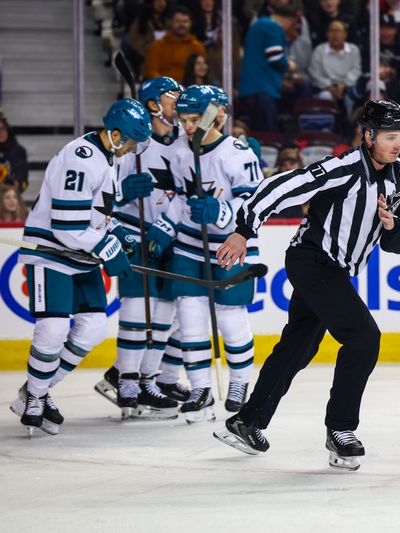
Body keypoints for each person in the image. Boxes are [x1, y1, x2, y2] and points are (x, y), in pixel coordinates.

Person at [212, 100, 400, 470]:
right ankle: (340, 429)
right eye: (389, 136)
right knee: (363, 337)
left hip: (336, 270)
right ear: (369, 136)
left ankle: (248, 420)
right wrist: (245, 230)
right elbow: (281, 186)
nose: (397, 143)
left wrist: (390, 226)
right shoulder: (342, 168)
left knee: (299, 346)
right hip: (312, 261)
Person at [9, 99, 151, 435]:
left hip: (81, 254)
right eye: (129, 142)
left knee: (93, 328)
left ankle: (34, 391)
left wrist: (118, 234)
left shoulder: (105, 156)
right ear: (115, 134)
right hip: (52, 252)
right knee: (53, 330)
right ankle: (36, 397)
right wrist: (105, 245)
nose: (131, 149)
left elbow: (96, 214)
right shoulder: (81, 158)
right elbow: (67, 227)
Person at [145, 85, 264, 422]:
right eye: (183, 119)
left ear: (216, 115)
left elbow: (254, 204)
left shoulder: (238, 153)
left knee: (230, 316)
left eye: (195, 119)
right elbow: (180, 199)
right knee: (191, 316)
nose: (188, 126)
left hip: (231, 246)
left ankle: (239, 381)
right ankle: (200, 387)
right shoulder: (180, 150)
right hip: (190, 245)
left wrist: (220, 212)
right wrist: (165, 226)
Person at [93, 77, 185, 420]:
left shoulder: (182, 143)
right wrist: (122, 194)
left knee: (165, 311)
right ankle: (127, 380)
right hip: (131, 231)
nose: (176, 100)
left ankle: (145, 378)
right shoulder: (131, 142)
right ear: (151, 103)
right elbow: (100, 194)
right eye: (169, 95)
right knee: (135, 308)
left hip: (168, 235)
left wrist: (170, 224)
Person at [239, 5, 299, 132]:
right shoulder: (272, 26)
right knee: (267, 135)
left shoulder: (258, 25)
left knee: (257, 132)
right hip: (262, 88)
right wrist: (289, 66)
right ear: (289, 20)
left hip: (252, 87)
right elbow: (275, 57)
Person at [143, 6, 206, 82]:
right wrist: (168, 86)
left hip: (190, 89)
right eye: (178, 21)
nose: (182, 25)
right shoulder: (157, 46)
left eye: (185, 21)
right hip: (164, 89)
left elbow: (202, 72)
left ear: (191, 23)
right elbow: (151, 72)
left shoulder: (198, 47)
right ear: (170, 22)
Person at [308, 19, 362, 103]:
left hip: (347, 86)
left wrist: (344, 84)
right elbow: (315, 73)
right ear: (327, 34)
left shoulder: (353, 49)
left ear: (345, 34)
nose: (335, 34)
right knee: (325, 96)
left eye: (338, 31)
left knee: (352, 95)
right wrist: (330, 87)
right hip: (325, 87)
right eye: (331, 31)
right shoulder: (319, 50)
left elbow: (356, 71)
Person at [0, 115, 29, 191]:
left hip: (10, 195)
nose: (1, 133)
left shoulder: (18, 151)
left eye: (3, 129)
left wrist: (16, 185)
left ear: (8, 130)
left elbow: (22, 181)